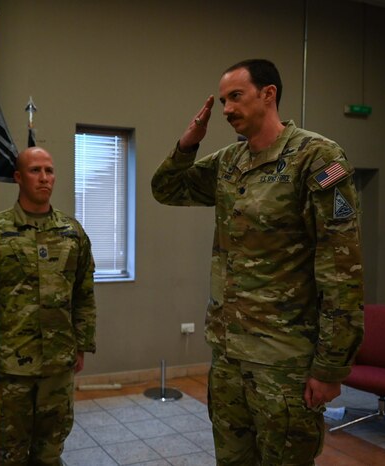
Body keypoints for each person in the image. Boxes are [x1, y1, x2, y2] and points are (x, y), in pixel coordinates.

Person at [151, 59, 364, 465]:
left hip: (285, 360)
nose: (227, 108)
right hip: (229, 355)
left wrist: (331, 367)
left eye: (236, 96)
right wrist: (189, 141)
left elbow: (342, 270)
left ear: (269, 95)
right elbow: (166, 188)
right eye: (223, 99)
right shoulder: (230, 161)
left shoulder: (317, 158)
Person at [0, 146, 97, 465]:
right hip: (9, 370)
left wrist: (81, 345)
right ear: (19, 177)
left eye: (49, 171)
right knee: (9, 454)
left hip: (57, 367)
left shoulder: (72, 233)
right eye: (36, 170)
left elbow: (84, 294)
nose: (45, 178)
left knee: (50, 452)